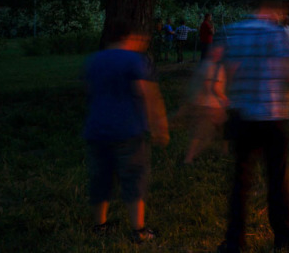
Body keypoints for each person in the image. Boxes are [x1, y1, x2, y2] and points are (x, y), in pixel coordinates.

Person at [217, 1, 289, 253]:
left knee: (240, 182)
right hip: (272, 118)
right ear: (271, 10)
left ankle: (234, 241)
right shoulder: (276, 34)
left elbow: (225, 71)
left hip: (242, 116)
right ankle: (283, 239)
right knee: (277, 181)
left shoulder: (235, 32)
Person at [83, 19, 168, 244]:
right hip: (127, 129)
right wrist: (159, 126)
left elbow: (90, 92)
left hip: (97, 129)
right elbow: (148, 94)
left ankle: (99, 226)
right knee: (133, 178)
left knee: (101, 178)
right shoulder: (134, 60)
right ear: (129, 37)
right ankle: (138, 230)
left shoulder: (94, 60)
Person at [183, 45, 228, 164]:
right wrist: (225, 99)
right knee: (202, 134)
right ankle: (189, 158)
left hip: (204, 104)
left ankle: (225, 151)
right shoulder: (216, 68)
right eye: (218, 52)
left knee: (223, 128)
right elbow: (213, 87)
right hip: (212, 106)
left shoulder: (204, 65)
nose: (220, 55)